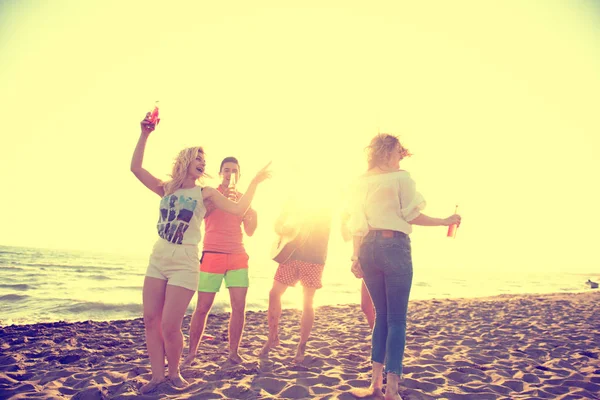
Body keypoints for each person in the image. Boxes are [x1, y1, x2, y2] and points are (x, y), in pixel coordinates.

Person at [130, 113, 270, 393]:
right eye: (199, 160)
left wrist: (254, 181)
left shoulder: (205, 193)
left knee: (170, 325)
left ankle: (175, 372)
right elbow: (136, 168)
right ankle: (157, 377)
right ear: (186, 160)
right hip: (158, 258)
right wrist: (145, 134)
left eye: (205, 163)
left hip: (185, 262)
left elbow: (238, 209)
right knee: (150, 320)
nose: (203, 165)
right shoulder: (166, 189)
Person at [347, 133, 461, 400]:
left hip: (367, 248)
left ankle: (375, 384)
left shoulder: (359, 182)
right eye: (398, 152)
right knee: (396, 320)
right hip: (394, 246)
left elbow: (356, 223)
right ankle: (393, 390)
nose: (400, 157)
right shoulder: (401, 178)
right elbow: (412, 214)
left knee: (381, 318)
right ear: (386, 151)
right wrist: (445, 221)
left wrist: (355, 257)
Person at [184, 157, 258, 366]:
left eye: (234, 170)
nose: (230, 174)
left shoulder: (244, 199)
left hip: (237, 255)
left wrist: (251, 215)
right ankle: (191, 353)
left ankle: (233, 352)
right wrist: (222, 200)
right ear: (220, 173)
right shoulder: (210, 195)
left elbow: (251, 232)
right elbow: (200, 216)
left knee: (239, 307)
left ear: (239, 175)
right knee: (202, 307)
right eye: (226, 170)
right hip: (212, 254)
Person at [259, 197, 332, 363]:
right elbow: (278, 224)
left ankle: (301, 346)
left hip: (314, 257)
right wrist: (283, 226)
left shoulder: (326, 201)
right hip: (291, 254)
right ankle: (272, 338)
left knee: (307, 302)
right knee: (273, 294)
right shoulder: (295, 198)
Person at [340, 210, 375, 330]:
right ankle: (377, 337)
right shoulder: (358, 209)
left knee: (379, 307)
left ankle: (382, 340)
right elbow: (346, 237)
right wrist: (343, 221)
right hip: (367, 260)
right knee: (366, 306)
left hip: (381, 255)